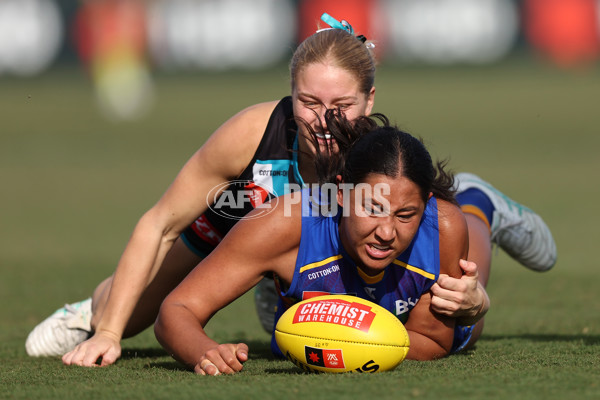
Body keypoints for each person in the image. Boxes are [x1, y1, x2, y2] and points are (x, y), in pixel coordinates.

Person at [25, 14, 556, 367]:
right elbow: (161, 222)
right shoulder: (253, 133)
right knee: (133, 306)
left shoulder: (374, 155)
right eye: (307, 101)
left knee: (452, 260)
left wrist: (475, 299)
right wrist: (111, 331)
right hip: (242, 217)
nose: (324, 120)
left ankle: (479, 200)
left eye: (342, 105)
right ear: (290, 92)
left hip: (324, 235)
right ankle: (87, 312)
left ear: (369, 100)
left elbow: (408, 217)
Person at [154, 113, 477, 374]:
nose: (387, 232)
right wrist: (204, 351)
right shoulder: (284, 223)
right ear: (340, 194)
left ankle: (482, 202)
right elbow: (176, 309)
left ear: (426, 204)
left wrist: (345, 344)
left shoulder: (442, 227)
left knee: (475, 299)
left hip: (467, 234)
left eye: (406, 214)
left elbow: (433, 340)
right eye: (371, 208)